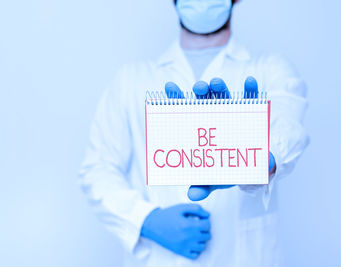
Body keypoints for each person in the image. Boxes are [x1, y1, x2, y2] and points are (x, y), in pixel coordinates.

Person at [79, 0, 309, 266]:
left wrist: (261, 160)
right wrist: (146, 219)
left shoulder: (271, 70)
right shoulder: (131, 80)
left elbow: (289, 129)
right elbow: (96, 169)